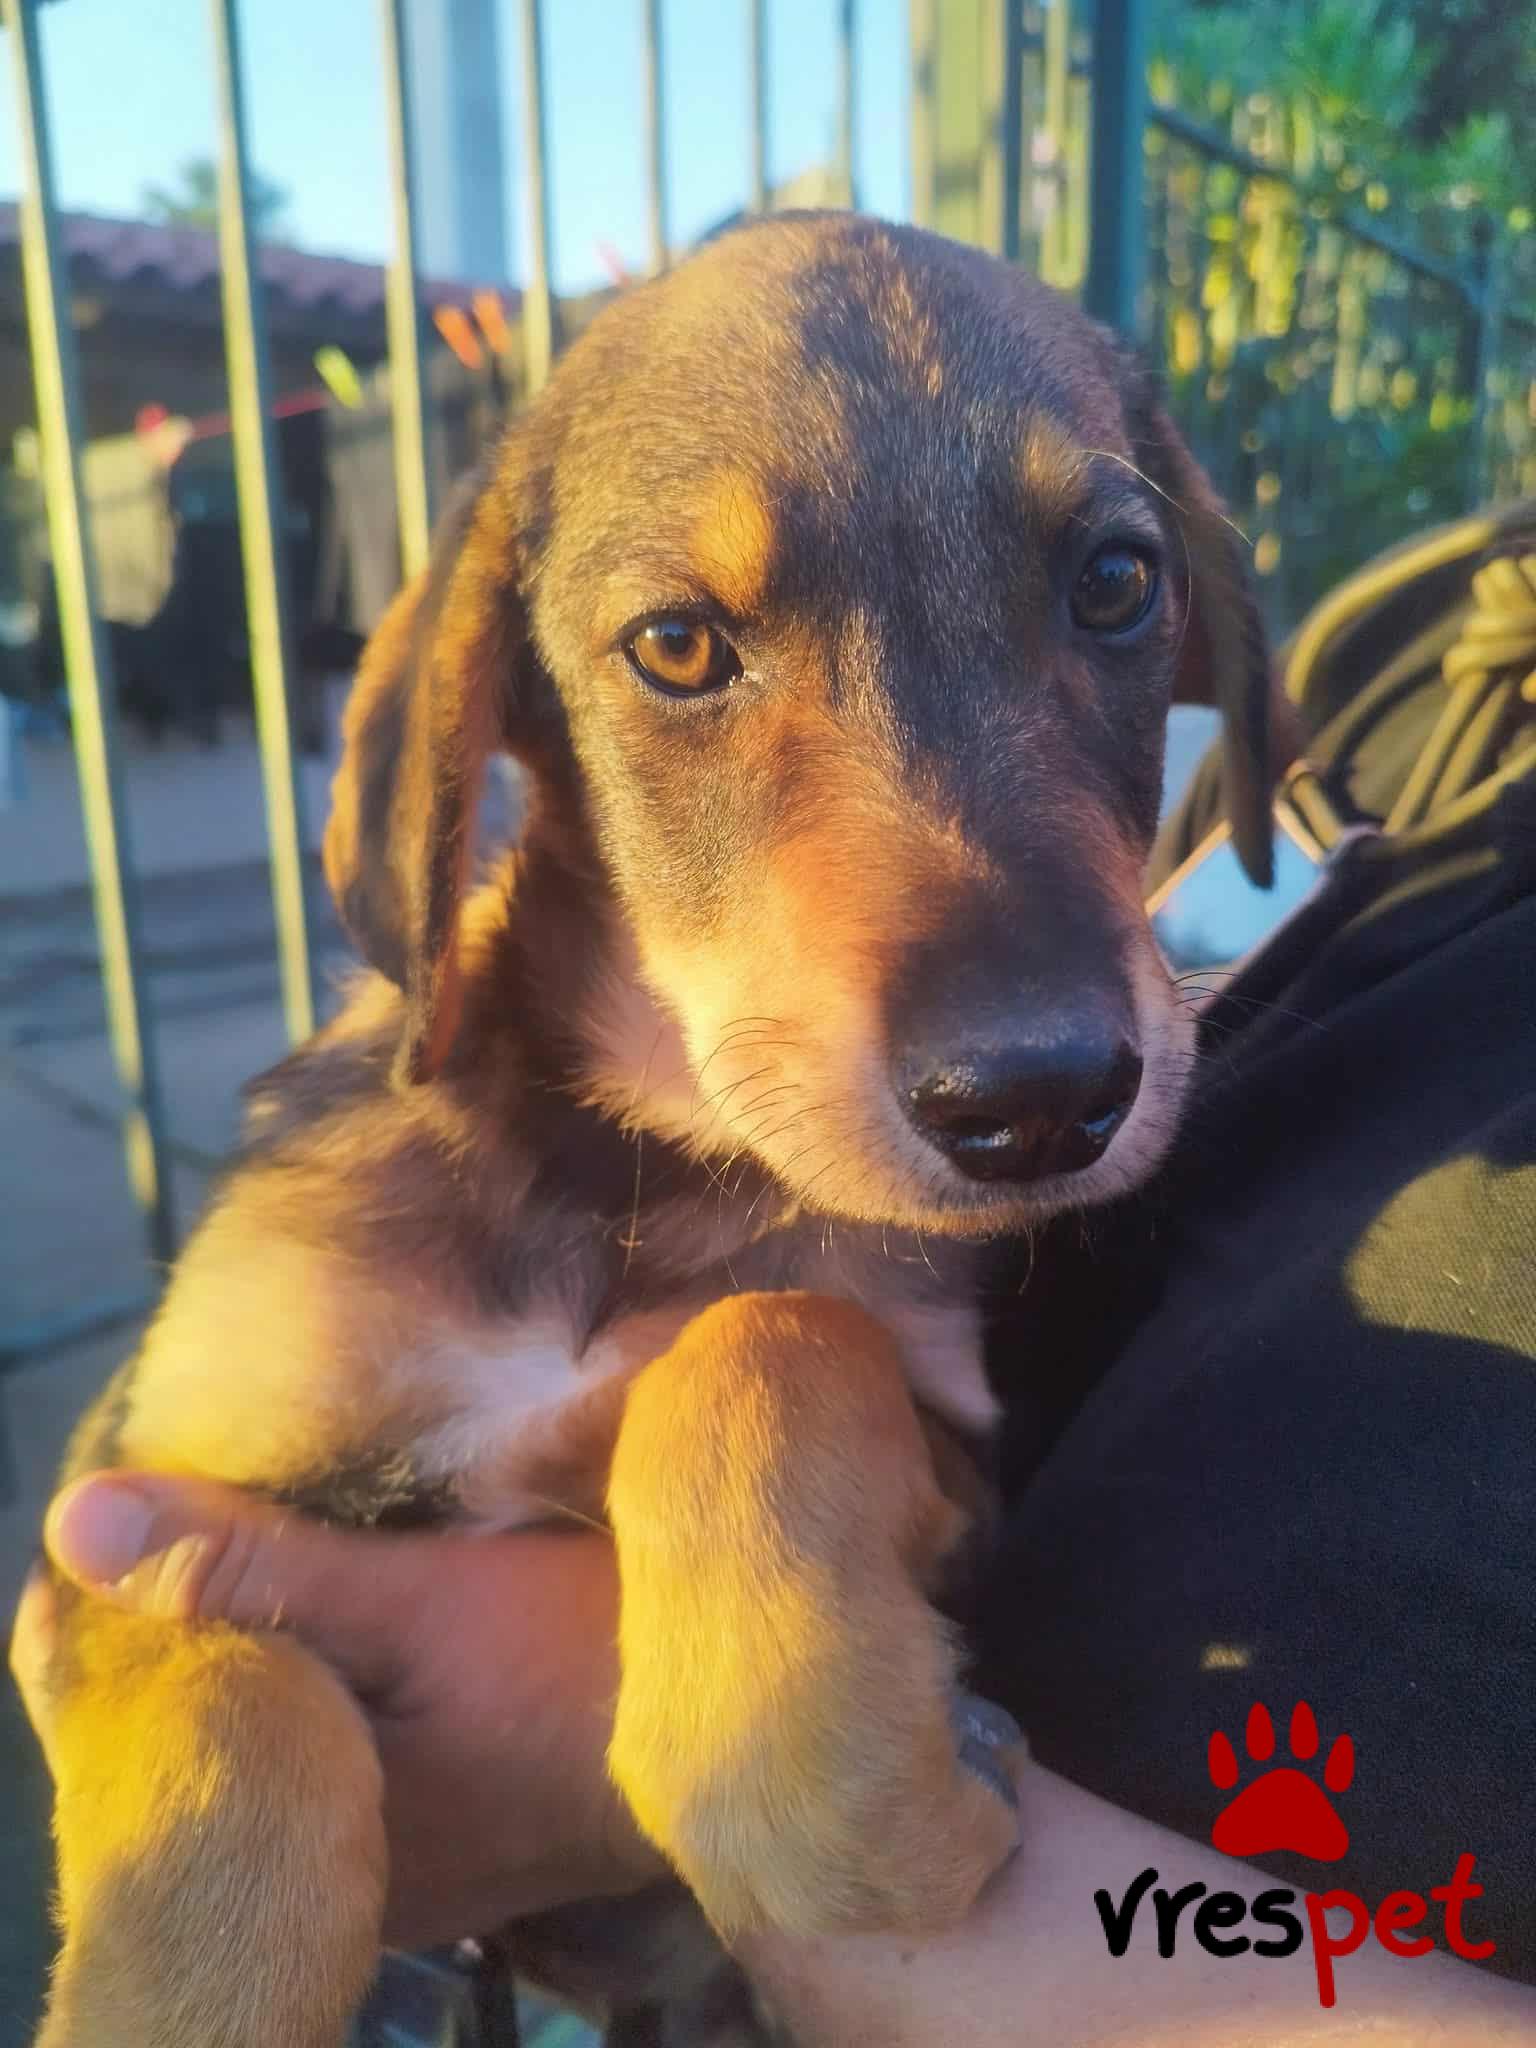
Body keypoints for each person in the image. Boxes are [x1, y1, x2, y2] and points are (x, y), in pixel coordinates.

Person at [14, 511, 1536, 2044]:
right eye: (686, 647)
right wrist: (221, 1835)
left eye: (1110, 590)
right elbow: (127, 1572)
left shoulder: (888, 1237)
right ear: (483, 714)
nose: (1032, 1041)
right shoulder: (1417, 638)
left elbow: (941, 1512)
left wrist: (609, 1718)